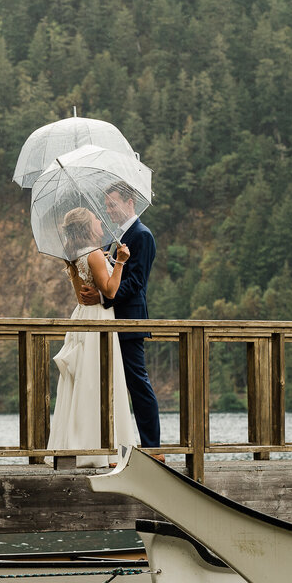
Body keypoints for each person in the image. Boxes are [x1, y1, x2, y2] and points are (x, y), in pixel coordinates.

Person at [46, 207, 141, 468]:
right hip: (99, 319)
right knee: (102, 380)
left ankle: (79, 446)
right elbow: (110, 291)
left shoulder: (75, 255)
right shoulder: (95, 254)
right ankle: (106, 449)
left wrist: (107, 261)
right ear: (88, 227)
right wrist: (119, 262)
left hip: (81, 317)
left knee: (83, 381)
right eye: (96, 219)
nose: (101, 221)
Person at [78, 184, 161, 451]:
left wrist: (102, 297)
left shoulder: (142, 236)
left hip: (128, 322)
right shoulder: (112, 237)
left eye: (113, 204)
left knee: (138, 384)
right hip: (107, 321)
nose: (109, 210)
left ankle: (151, 447)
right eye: (107, 205)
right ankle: (111, 444)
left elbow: (136, 283)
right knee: (107, 385)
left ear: (130, 202)